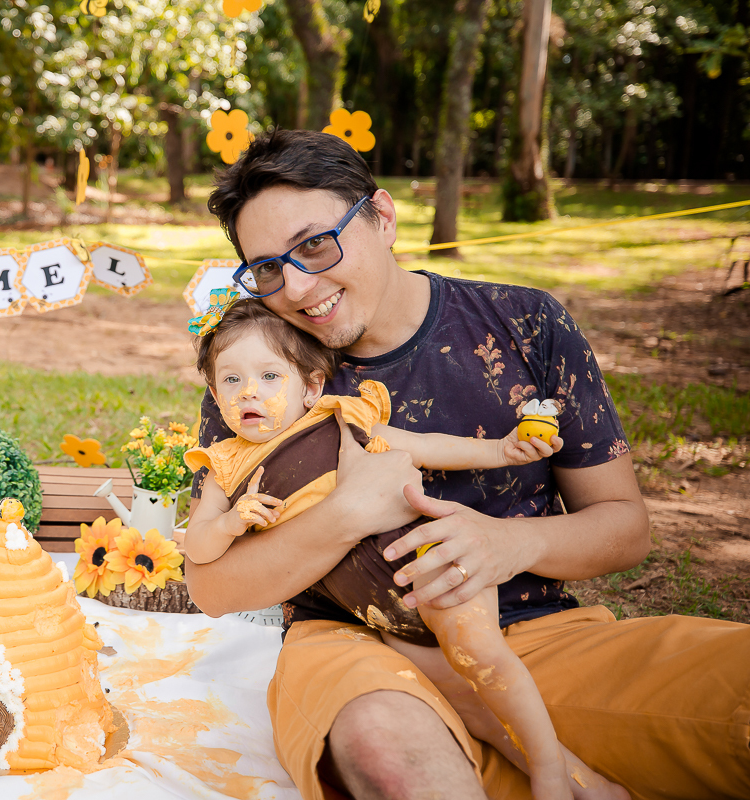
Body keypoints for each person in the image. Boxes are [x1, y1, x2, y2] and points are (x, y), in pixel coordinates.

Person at [183, 128, 750, 800]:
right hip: (351, 646)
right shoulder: (261, 376)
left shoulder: (526, 323)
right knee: (387, 751)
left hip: (531, 636)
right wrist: (348, 514)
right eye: (270, 268)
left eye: (315, 244)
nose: (299, 286)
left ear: (382, 217)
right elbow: (212, 587)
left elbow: (625, 528)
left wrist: (505, 543)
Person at [182, 297, 621, 799]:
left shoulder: (339, 417)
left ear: (311, 386)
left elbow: (426, 444)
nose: (249, 393)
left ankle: (547, 773)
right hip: (377, 612)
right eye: (231, 381)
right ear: (215, 395)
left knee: (483, 658)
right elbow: (198, 547)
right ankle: (585, 782)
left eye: (269, 376)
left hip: (431, 563)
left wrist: (499, 451)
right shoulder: (225, 465)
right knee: (461, 698)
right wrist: (232, 523)